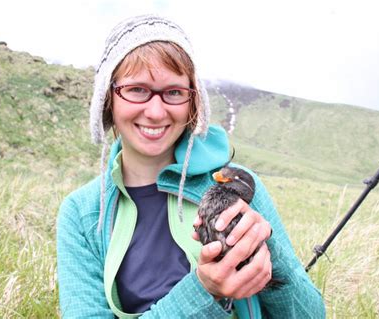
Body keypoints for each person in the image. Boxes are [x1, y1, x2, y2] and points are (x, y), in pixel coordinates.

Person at [57, 14, 325, 318]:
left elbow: (309, 314)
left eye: (174, 92)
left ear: (193, 102)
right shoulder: (82, 212)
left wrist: (268, 251)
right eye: (136, 90)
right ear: (108, 98)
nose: (156, 112)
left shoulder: (237, 186)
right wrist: (204, 290)